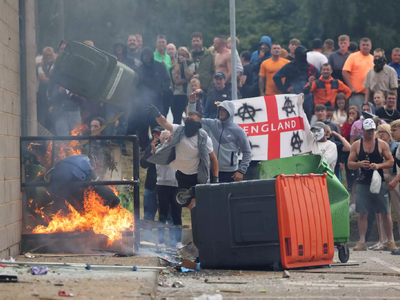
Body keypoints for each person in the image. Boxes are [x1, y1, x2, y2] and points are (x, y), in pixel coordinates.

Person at [347, 118, 397, 251]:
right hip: (362, 182)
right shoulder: (357, 145)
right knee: (363, 213)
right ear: (362, 130)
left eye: (372, 131)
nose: (370, 133)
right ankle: (362, 241)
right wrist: (359, 164)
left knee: (385, 212)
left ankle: (390, 240)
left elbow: (391, 162)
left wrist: (379, 165)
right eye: (368, 131)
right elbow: (349, 164)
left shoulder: (381, 144)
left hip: (378, 181)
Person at [147, 105, 219, 188]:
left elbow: (213, 158)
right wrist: (157, 114)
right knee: (184, 199)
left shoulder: (204, 139)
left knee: (195, 198)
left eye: (191, 120)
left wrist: (216, 178)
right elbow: (164, 123)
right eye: (187, 119)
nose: (188, 121)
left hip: (197, 175)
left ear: (198, 124)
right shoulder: (178, 130)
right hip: (180, 173)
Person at [187, 95, 252, 182]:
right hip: (211, 170)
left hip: (230, 173)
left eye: (224, 110)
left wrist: (241, 171)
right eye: (220, 110)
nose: (221, 112)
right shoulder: (212, 124)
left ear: (230, 112)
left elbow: (247, 152)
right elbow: (193, 120)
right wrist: (192, 103)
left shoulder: (238, 131)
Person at [129, 47, 171, 150]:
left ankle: (158, 145)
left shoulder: (160, 66)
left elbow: (167, 79)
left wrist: (163, 91)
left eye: (148, 56)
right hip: (142, 101)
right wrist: (137, 96)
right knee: (143, 124)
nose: (146, 58)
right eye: (144, 56)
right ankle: (144, 147)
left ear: (151, 56)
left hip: (157, 100)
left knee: (157, 123)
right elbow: (134, 84)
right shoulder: (139, 69)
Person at [274, 45, 320, 120]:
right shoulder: (289, 66)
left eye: (305, 53)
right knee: (292, 119)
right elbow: (276, 77)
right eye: (302, 53)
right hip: (292, 97)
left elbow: (320, 78)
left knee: (307, 120)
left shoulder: (310, 67)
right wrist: (284, 89)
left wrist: (313, 84)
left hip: (307, 97)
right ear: (298, 54)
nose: (304, 55)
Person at [373, 124, 400, 250]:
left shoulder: (395, 146)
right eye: (379, 132)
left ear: (389, 133)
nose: (380, 134)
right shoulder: (377, 146)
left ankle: (392, 241)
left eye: (383, 132)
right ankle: (383, 240)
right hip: (381, 175)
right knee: (382, 210)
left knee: (397, 208)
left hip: (394, 175)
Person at [155, 130, 182, 249]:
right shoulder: (159, 150)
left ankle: (177, 241)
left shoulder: (177, 150)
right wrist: (168, 143)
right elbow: (163, 153)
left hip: (176, 185)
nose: (167, 140)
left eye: (169, 138)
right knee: (163, 214)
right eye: (165, 138)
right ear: (161, 140)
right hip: (163, 184)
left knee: (177, 214)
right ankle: (161, 241)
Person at [140, 126, 163, 225]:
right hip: (151, 185)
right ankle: (147, 239)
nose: (156, 136)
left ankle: (163, 240)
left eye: (159, 134)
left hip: (165, 185)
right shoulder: (150, 147)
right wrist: (152, 151)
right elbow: (143, 164)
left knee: (164, 215)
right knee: (148, 215)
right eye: (154, 134)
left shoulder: (171, 147)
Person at [342, 37, 374, 108]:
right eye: (363, 45)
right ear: (360, 46)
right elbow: (345, 71)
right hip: (357, 93)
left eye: (367, 45)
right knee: (357, 114)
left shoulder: (373, 58)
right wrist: (351, 87)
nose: (365, 46)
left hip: (370, 94)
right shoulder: (353, 56)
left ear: (371, 46)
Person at [171, 47, 195, 124]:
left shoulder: (191, 64)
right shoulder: (174, 66)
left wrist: (185, 64)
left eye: (184, 55)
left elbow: (188, 74)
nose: (181, 56)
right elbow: (176, 81)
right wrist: (188, 79)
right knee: (177, 119)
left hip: (188, 94)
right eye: (180, 54)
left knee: (190, 118)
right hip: (178, 94)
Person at [37, 46, 55, 129]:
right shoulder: (40, 65)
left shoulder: (55, 66)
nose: (48, 57)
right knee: (42, 120)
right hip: (42, 98)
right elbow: (43, 80)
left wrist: (39, 67)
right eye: (46, 55)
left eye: (49, 55)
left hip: (53, 98)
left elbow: (47, 81)